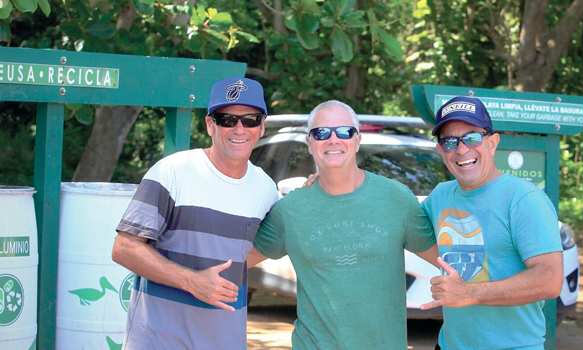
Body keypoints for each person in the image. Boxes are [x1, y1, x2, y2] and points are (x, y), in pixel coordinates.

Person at [248, 100, 438, 350]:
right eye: (322, 133)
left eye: (345, 132)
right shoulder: (290, 209)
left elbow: (449, 260)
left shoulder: (397, 199)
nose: (333, 139)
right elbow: (235, 262)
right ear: (310, 144)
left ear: (357, 140)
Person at [112, 76, 278, 349]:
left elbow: (251, 253)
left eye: (250, 119)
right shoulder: (173, 172)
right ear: (210, 125)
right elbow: (124, 247)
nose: (239, 128)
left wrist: (314, 186)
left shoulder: (265, 189)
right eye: (227, 119)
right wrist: (191, 281)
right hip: (159, 342)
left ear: (261, 128)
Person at [420, 96, 563, 350]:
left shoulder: (523, 199)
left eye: (472, 137)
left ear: (493, 142)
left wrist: (468, 293)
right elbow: (399, 223)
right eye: (449, 141)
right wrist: (327, 183)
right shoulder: (440, 196)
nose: (462, 149)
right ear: (441, 150)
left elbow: (550, 280)